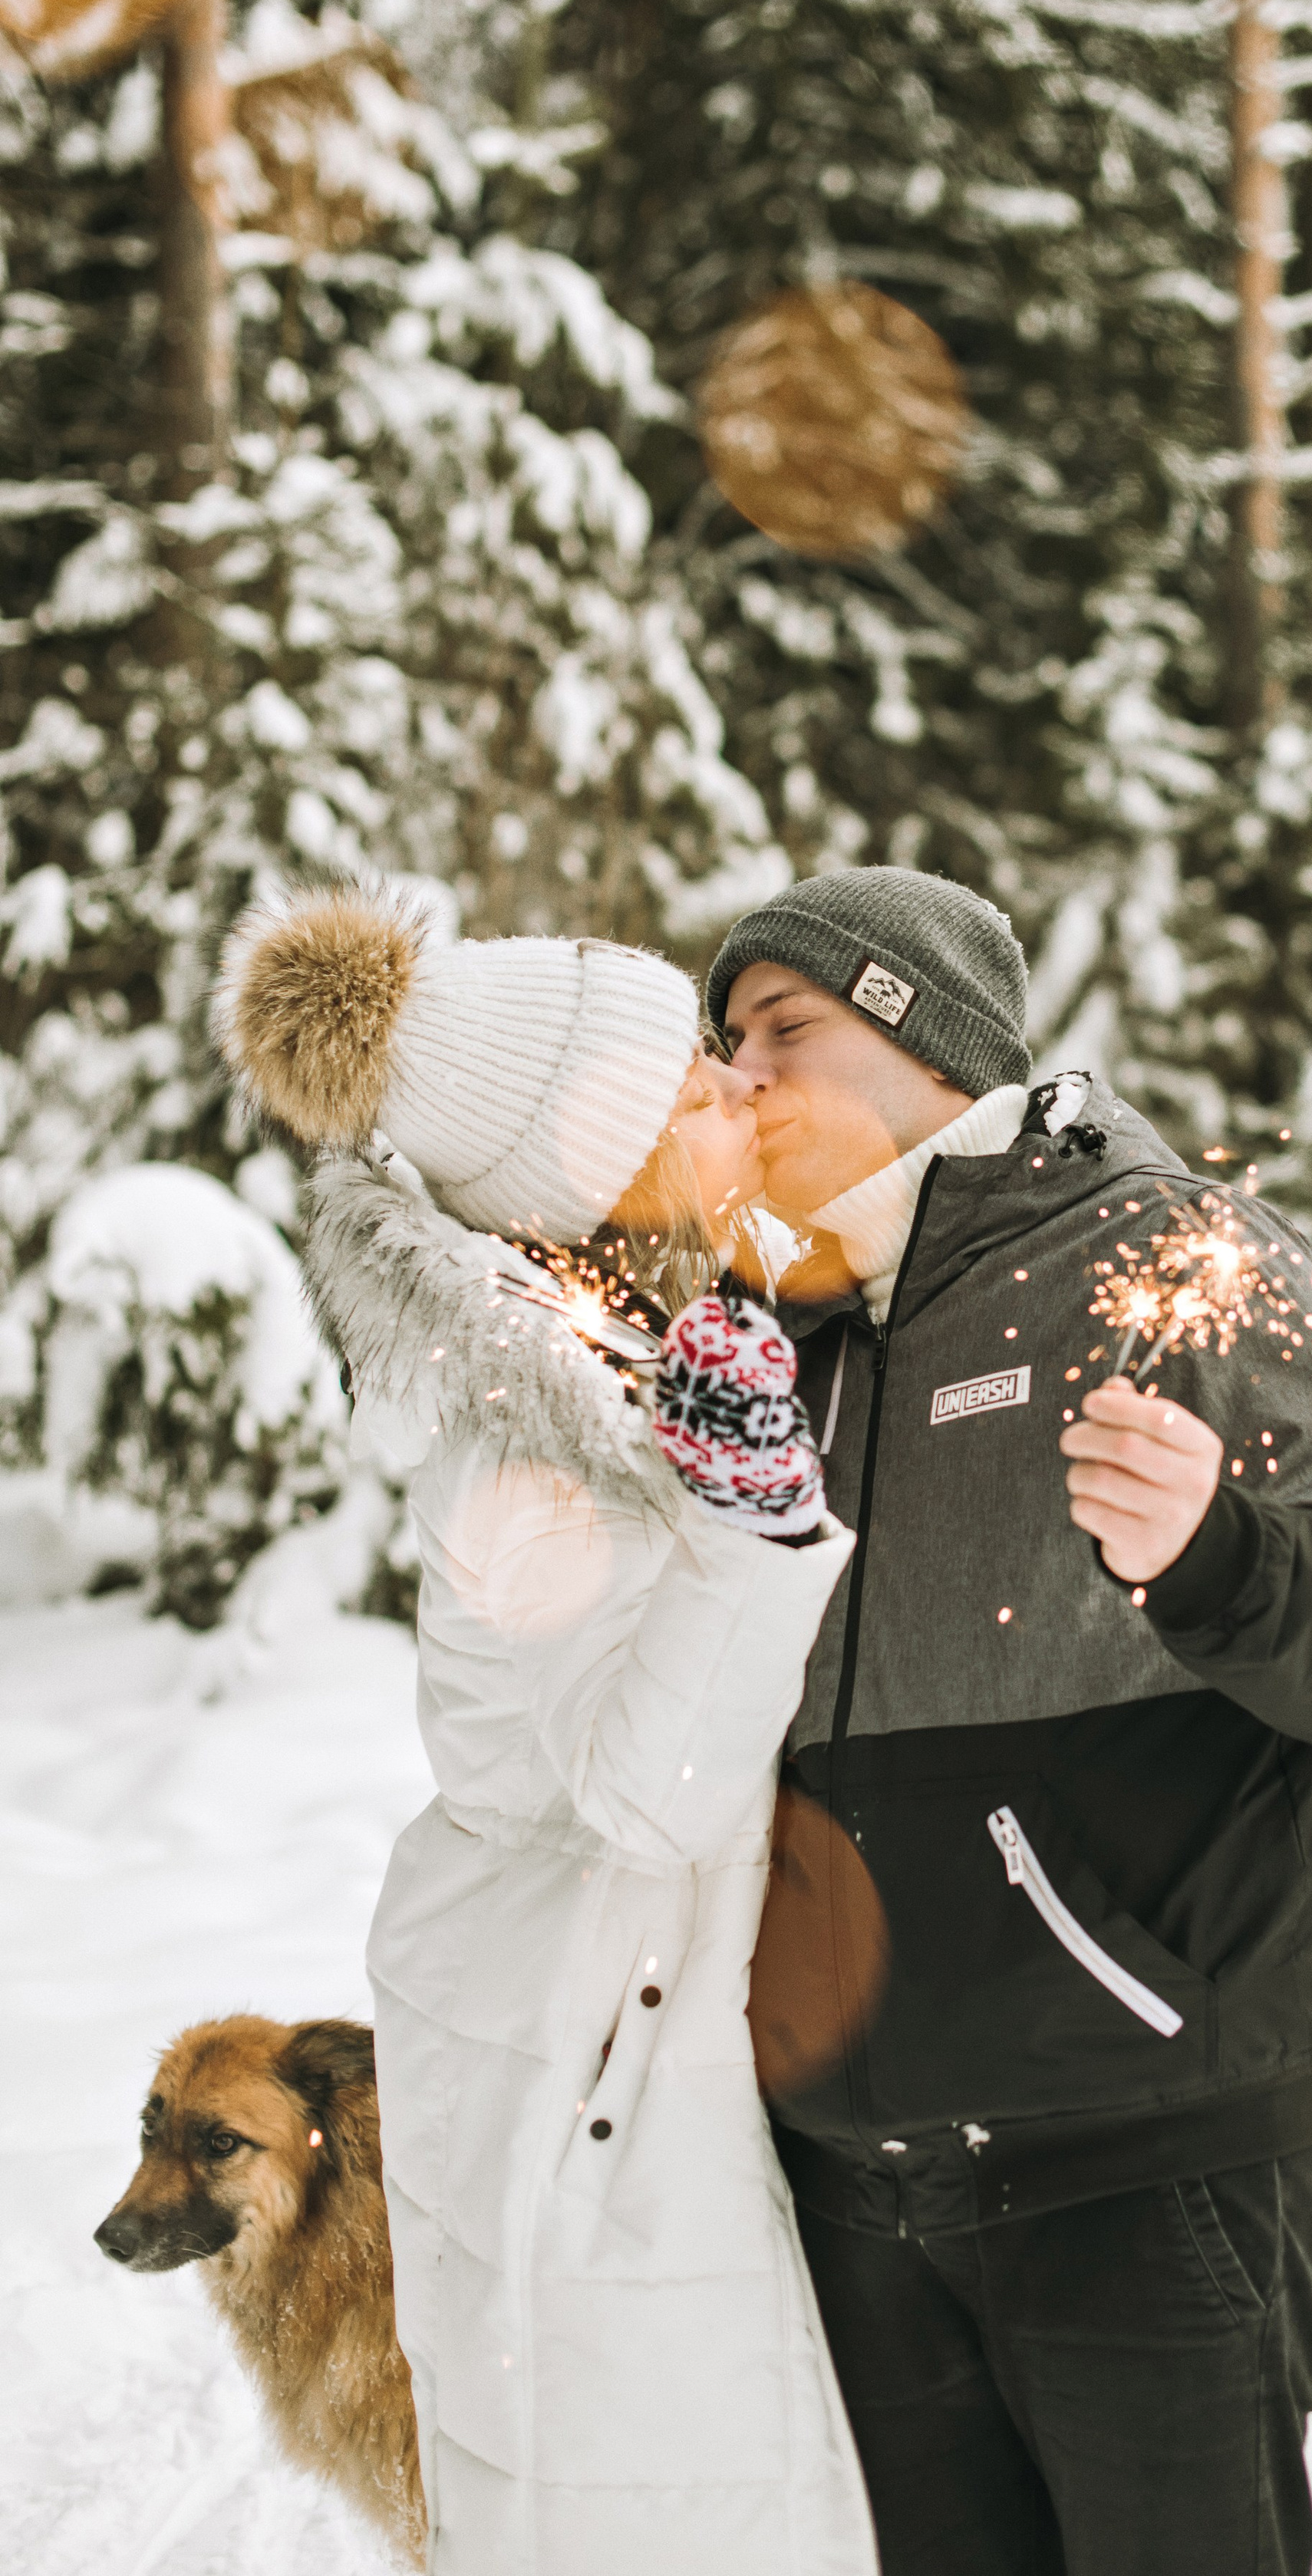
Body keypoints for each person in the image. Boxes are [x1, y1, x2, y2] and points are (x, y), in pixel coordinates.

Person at [710, 866, 1312, 2576]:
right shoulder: (768, 1346)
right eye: (725, 1042)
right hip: (856, 2193)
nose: (738, 1075)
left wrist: (1217, 1555)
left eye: (782, 1028)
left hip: (1149, 2162)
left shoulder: (1167, 1258)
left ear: (924, 1039)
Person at [214, 884, 878, 2576]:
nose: (738, 1087)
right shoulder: (537, 1446)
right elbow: (646, 1795)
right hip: (588, 2089)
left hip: (591, 2043)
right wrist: (759, 1531)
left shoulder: (624, 1365)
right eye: (694, 1083)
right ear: (602, 1169)